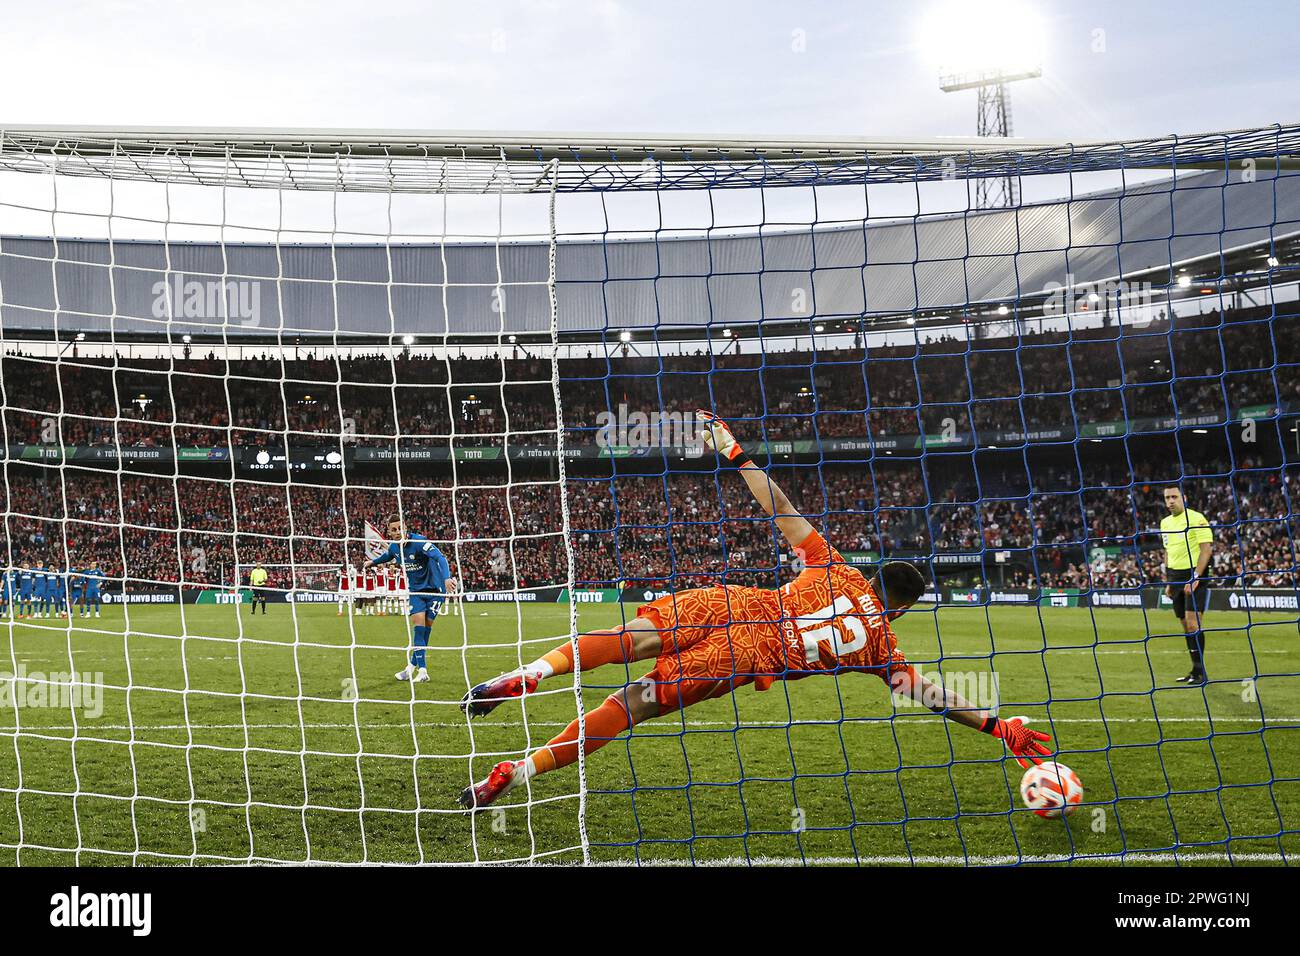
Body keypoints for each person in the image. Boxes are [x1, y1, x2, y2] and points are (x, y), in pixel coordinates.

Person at [457, 411, 1051, 810]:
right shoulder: (882, 648)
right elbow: (931, 695)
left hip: (735, 604)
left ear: (873, 577)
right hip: (743, 657)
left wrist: (736, 452)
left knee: (628, 637)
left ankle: (531, 674)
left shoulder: (836, 567)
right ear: (898, 613)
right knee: (629, 705)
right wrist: (1000, 726)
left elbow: (781, 507)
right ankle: (522, 772)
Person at [361, 515, 454, 684]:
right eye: (394, 530)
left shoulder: (419, 542)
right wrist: (372, 563)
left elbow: (440, 558)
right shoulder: (395, 547)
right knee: (419, 628)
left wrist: (447, 578)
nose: (397, 532)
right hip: (416, 592)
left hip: (435, 590)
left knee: (425, 631)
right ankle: (423, 671)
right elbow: (388, 556)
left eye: (400, 528)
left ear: (405, 527)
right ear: (389, 531)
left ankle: (410, 668)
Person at [1160, 485, 1213, 684]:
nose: (1170, 501)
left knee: (1193, 624)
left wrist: (1197, 576)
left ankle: (1200, 673)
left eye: (1174, 497)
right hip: (1175, 576)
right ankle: (1194, 670)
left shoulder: (1197, 519)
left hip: (1194, 574)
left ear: (1184, 497)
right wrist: (1168, 580)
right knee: (1185, 625)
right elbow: (1167, 551)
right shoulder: (1164, 523)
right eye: (1167, 498)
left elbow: (1206, 550)